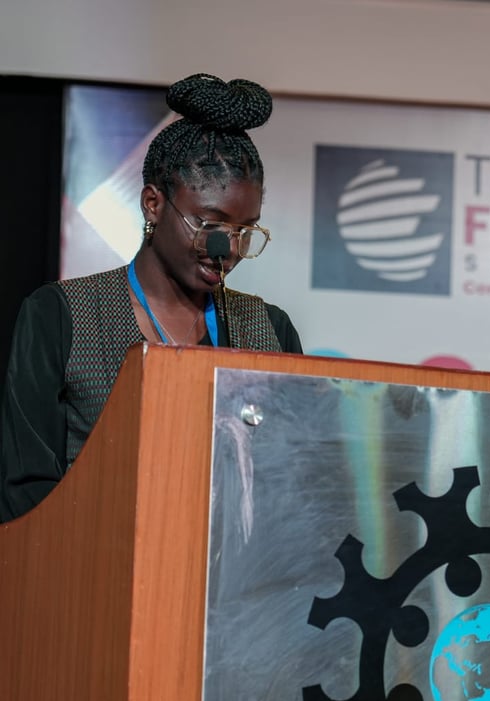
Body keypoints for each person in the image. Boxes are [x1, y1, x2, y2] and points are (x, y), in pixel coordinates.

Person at [0, 73, 302, 522]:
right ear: (152, 203)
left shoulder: (270, 331)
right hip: (92, 560)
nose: (228, 249)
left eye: (244, 231)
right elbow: (27, 494)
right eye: (209, 225)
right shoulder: (60, 316)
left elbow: (292, 483)